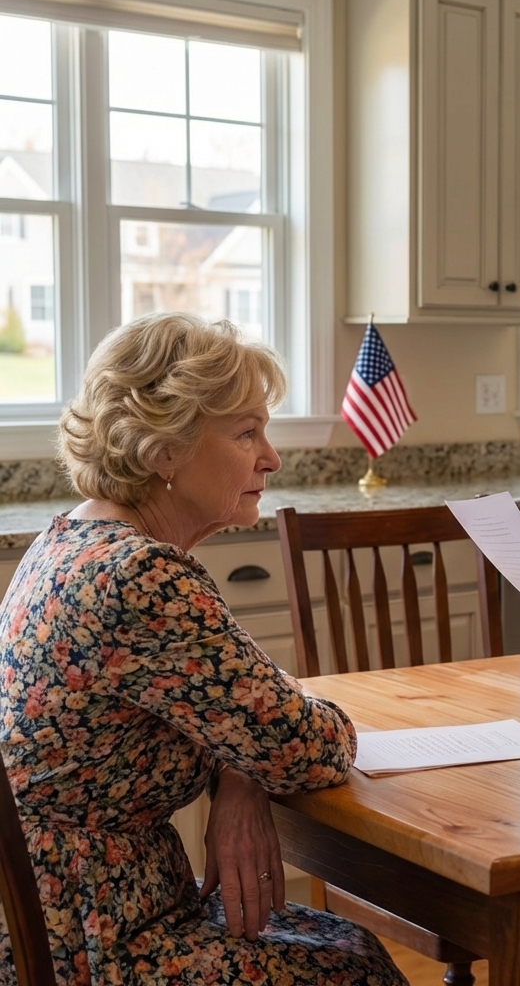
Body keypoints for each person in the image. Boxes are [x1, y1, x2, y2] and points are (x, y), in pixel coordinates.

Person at [0, 313, 408, 986]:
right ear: (163, 450)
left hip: (67, 921)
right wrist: (253, 755)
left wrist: (239, 774)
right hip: (97, 947)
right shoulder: (140, 579)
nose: (271, 457)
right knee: (352, 967)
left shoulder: (71, 541)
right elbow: (309, 742)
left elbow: (242, 706)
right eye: (247, 432)